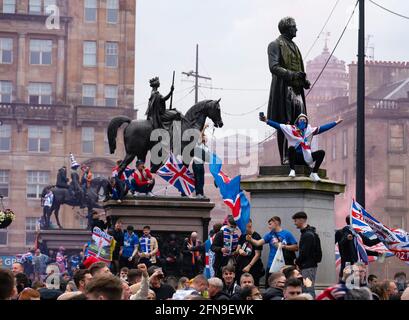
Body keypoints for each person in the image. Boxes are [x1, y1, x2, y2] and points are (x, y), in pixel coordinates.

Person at [266, 17, 311, 164]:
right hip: (283, 91)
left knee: (299, 124)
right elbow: (273, 67)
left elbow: (299, 69)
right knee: (284, 124)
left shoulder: (295, 47)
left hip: (297, 91)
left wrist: (304, 81)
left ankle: (298, 155)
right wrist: (292, 75)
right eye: (294, 26)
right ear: (287, 28)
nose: (296, 29)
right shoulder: (275, 44)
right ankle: (285, 157)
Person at [260, 113, 342, 181]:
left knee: (321, 153)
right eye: (301, 119)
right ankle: (292, 170)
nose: (302, 121)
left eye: (304, 120)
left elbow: (323, 128)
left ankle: (314, 173)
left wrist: (335, 122)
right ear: (297, 121)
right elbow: (278, 126)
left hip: (306, 158)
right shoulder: (291, 129)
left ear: (306, 122)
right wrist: (266, 120)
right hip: (296, 158)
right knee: (291, 148)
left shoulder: (310, 131)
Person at [247, 216, 298, 287]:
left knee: (284, 285)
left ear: (276, 223)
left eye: (270, 224)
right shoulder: (270, 234)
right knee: (269, 285)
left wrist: (283, 246)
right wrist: (250, 239)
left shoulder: (287, 234)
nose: (269, 226)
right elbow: (258, 243)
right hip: (271, 265)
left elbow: (296, 247)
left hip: (284, 266)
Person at [292, 211, 321, 297]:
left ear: (301, 220)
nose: (295, 223)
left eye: (295, 221)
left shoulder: (307, 235)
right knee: (306, 288)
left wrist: (297, 261)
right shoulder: (309, 233)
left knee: (308, 289)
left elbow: (304, 252)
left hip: (307, 266)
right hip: (308, 265)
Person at [236, 219, 264, 286]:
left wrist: (249, 266)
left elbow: (258, 254)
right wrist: (239, 250)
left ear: (250, 224)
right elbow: (237, 249)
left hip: (253, 267)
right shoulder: (242, 236)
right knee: (240, 284)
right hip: (241, 265)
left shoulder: (256, 236)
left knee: (253, 285)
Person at [192, 124, 210, 198]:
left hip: (201, 164)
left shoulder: (206, 147)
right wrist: (204, 128)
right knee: (198, 178)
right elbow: (200, 135)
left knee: (201, 179)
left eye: (206, 138)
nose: (206, 138)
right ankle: (198, 193)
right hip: (196, 163)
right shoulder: (198, 143)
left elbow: (207, 157)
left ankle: (201, 193)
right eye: (205, 137)